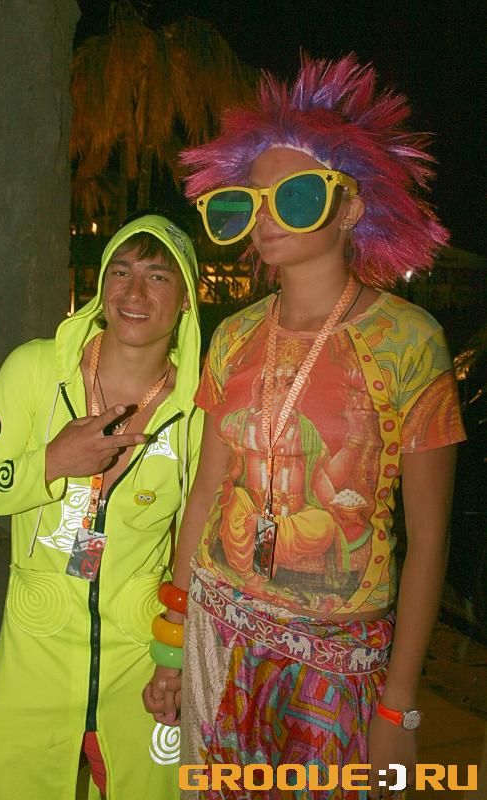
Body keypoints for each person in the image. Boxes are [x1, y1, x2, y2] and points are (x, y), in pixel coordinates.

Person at [143, 55, 466, 799]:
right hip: (218, 637)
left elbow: (428, 541)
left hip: (338, 660)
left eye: (293, 196)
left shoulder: (410, 342)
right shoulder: (232, 338)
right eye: (250, 201)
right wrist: (172, 649)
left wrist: (399, 706)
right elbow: (204, 496)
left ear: (350, 208)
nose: (266, 217)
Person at [0, 214, 203, 800]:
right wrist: (52, 461)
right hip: (34, 649)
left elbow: (199, 545)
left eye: (157, 277)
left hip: (137, 656)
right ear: (100, 285)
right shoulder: (36, 369)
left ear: (186, 302)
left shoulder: (199, 407)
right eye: (120, 271)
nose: (134, 292)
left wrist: (173, 653)